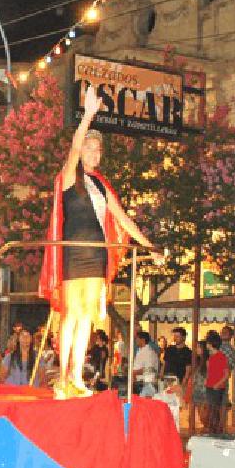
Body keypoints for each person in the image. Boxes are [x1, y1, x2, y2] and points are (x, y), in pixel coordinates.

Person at [37, 84, 161, 399]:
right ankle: (62, 379)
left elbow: (122, 219)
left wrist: (149, 245)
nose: (95, 153)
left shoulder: (101, 185)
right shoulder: (68, 176)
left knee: (87, 320)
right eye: (91, 149)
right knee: (71, 315)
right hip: (73, 254)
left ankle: (77, 377)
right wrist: (88, 116)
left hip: (97, 255)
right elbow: (74, 147)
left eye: (98, 150)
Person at [203, 331, 230, 435]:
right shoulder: (210, 357)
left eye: (207, 343)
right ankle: (212, 431)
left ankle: (215, 432)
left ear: (211, 343)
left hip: (216, 388)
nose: (206, 345)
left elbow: (226, 374)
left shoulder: (221, 356)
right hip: (210, 386)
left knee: (214, 411)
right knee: (211, 410)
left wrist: (217, 384)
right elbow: (210, 372)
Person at [132, 331, 159, 398]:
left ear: (142, 340)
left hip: (146, 384)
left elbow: (149, 369)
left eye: (137, 339)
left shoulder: (149, 352)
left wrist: (134, 372)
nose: (135, 340)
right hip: (138, 382)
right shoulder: (140, 350)